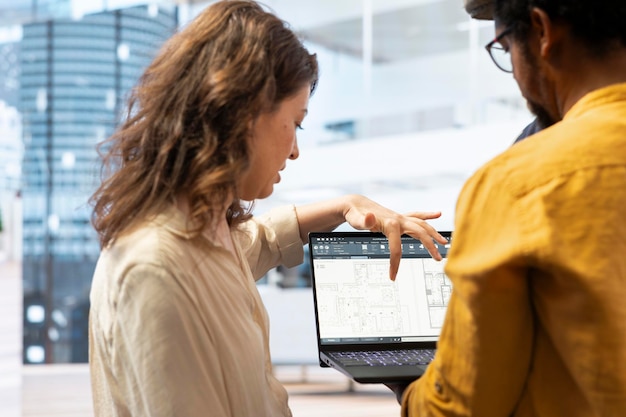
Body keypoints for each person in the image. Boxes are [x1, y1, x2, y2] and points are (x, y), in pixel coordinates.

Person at [87, 1, 447, 416]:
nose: (294, 150)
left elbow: (262, 240)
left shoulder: (204, 235)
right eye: (295, 123)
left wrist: (348, 205)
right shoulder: (156, 271)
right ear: (243, 113)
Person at [391, 0, 626, 415]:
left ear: (542, 32)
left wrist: (410, 392)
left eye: (503, 47)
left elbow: (462, 406)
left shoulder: (518, 183)